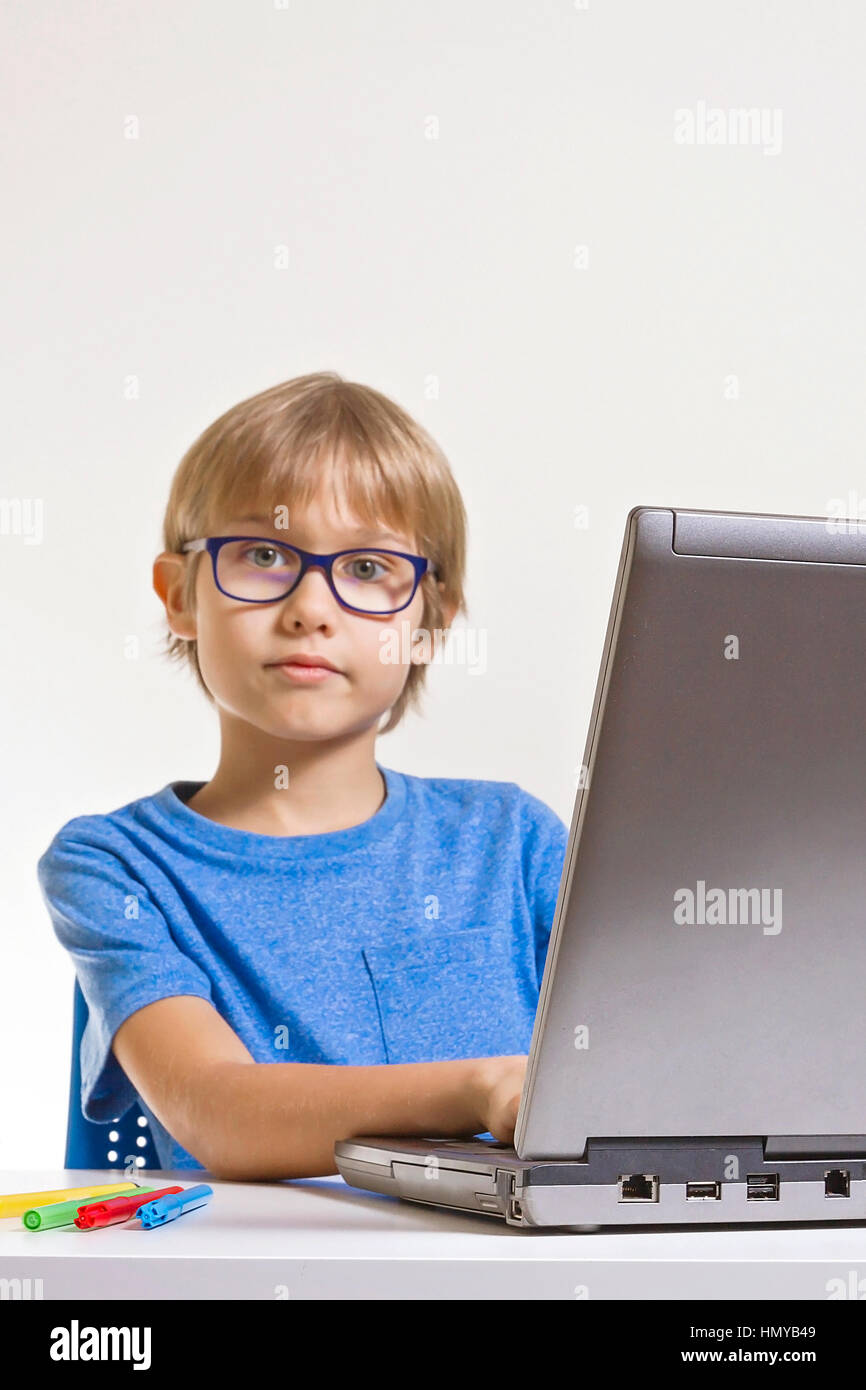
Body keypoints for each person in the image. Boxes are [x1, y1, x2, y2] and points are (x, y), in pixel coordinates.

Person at [37, 371, 568, 1179]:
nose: (311, 607)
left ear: (429, 622)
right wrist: (483, 1087)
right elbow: (215, 1109)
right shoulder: (114, 866)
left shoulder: (514, 842)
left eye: (366, 570)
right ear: (180, 597)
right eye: (261, 555)